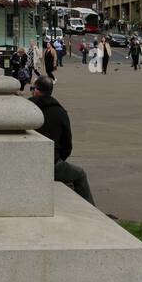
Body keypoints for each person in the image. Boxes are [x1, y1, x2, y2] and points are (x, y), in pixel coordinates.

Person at [30, 76, 94, 204]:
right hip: (50, 162)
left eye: (32, 88)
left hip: (27, 160)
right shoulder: (60, 112)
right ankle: (92, 210)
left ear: (36, 91)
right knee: (79, 174)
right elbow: (67, 145)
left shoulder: (27, 109)